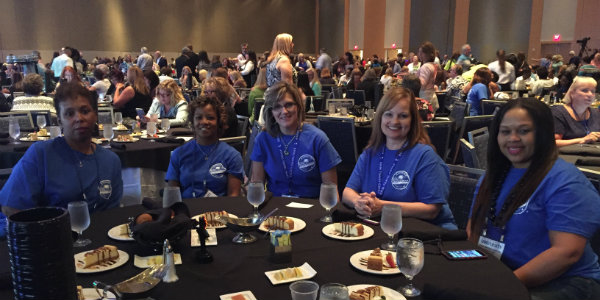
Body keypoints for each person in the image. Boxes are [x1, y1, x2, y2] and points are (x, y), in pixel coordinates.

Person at [467, 98, 600, 299]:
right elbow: (473, 228)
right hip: (503, 270)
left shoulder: (566, 181)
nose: (513, 138)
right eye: (505, 131)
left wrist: (500, 285)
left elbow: (566, 254)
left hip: (565, 283)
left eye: (523, 131)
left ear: (543, 134)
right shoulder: (493, 175)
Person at [0, 82, 123, 217]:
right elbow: (10, 207)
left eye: (85, 111)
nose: (79, 118)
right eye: (70, 113)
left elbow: (113, 213)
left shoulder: (111, 161)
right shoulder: (41, 154)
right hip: (50, 235)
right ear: (59, 121)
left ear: (95, 116)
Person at [342, 87, 456, 229]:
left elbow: (431, 210)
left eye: (403, 116)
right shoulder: (370, 152)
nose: (394, 121)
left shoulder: (425, 156)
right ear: (380, 118)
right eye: (388, 114)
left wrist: (384, 207)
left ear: (413, 120)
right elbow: (347, 192)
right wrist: (358, 202)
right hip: (385, 229)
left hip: (428, 234)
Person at [251, 82, 341, 198]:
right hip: (275, 210)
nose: (284, 111)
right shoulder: (263, 139)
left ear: (298, 106)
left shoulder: (317, 139)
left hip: (312, 209)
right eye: (277, 107)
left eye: (288, 105)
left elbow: (332, 194)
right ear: (271, 112)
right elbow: (256, 187)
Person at [166, 96, 243, 198]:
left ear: (219, 121)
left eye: (210, 118)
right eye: (199, 118)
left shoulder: (232, 156)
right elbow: (172, 196)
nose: (204, 122)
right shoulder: (178, 154)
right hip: (186, 211)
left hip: (220, 211)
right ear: (192, 121)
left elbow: (233, 196)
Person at [551, 76, 600, 147]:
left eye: (593, 91)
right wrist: (582, 140)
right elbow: (554, 143)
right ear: (572, 93)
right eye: (585, 90)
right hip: (567, 156)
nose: (590, 94)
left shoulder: (596, 113)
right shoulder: (558, 112)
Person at [417, 42, 439, 112]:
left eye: (421, 53)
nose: (419, 55)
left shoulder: (426, 66)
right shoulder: (432, 65)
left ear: (428, 54)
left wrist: (413, 79)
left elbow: (422, 84)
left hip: (425, 99)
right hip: (431, 97)